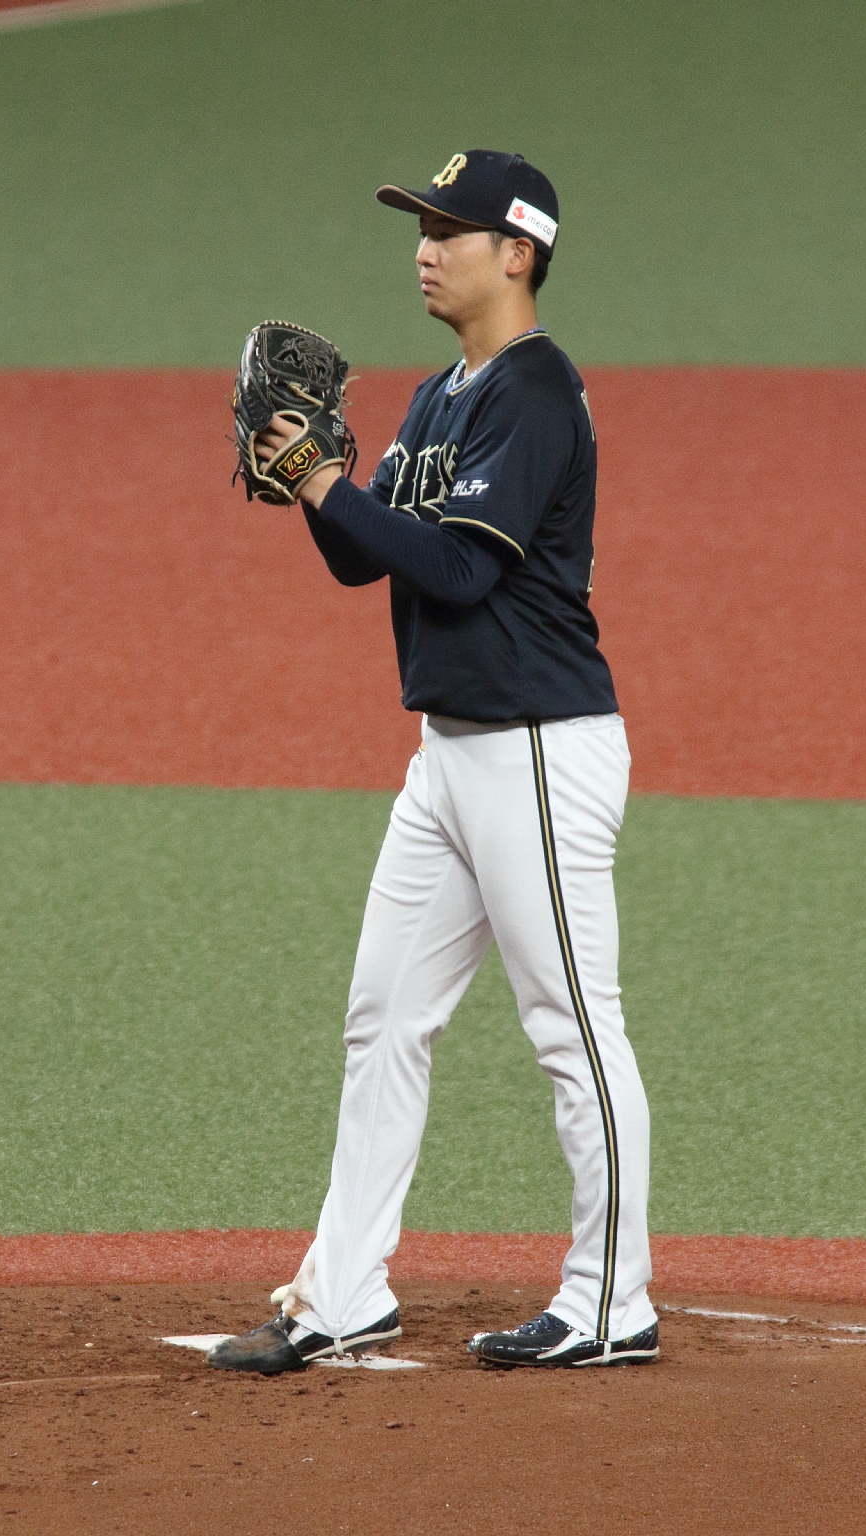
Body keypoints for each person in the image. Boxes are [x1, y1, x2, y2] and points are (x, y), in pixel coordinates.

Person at [208, 149, 659, 1373]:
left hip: (537, 748)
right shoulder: (437, 394)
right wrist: (319, 488)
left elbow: (459, 571)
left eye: (448, 230)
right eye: (420, 227)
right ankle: (344, 1290)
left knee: (571, 1026)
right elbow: (366, 560)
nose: (424, 249)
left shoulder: (534, 394)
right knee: (384, 1018)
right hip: (449, 757)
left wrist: (323, 479)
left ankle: (611, 1300)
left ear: (517, 253)